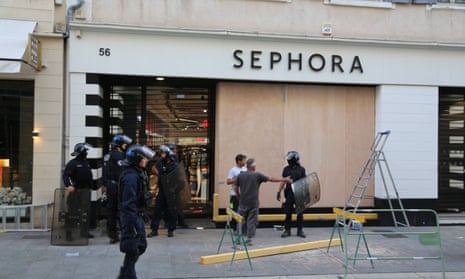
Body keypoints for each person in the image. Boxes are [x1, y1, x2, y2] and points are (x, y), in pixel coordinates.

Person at [118, 144, 155, 279]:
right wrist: (135, 223)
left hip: (134, 215)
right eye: (143, 158)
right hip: (130, 217)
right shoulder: (131, 177)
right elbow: (128, 203)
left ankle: (125, 274)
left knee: (137, 247)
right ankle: (128, 275)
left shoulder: (136, 173)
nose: (146, 160)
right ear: (136, 160)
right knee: (133, 247)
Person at [234, 158, 292, 245]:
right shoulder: (257, 175)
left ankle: (238, 238)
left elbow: (235, 188)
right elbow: (271, 179)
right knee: (251, 221)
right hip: (253, 203)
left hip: (243, 202)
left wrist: (239, 196)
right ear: (253, 167)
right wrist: (285, 180)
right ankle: (248, 239)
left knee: (240, 221)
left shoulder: (241, 176)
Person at [102, 134, 133, 244]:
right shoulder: (119, 156)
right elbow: (122, 172)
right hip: (117, 186)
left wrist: (105, 184)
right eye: (124, 144)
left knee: (111, 212)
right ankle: (125, 233)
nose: (125, 146)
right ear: (120, 145)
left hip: (110, 185)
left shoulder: (108, 155)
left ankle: (112, 234)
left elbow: (104, 172)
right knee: (122, 210)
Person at [62, 142, 95, 240]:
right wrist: (69, 185)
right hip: (76, 191)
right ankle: (69, 234)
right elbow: (66, 175)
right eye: (85, 151)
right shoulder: (73, 163)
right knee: (72, 213)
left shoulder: (86, 163)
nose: (87, 153)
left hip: (85, 190)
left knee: (85, 212)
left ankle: (84, 232)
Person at [148, 145, 179, 237]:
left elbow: (177, 177)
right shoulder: (160, 161)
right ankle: (154, 229)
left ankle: (171, 229)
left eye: (163, 153)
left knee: (171, 211)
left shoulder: (174, 164)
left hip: (170, 190)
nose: (162, 155)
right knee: (157, 210)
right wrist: (156, 187)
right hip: (162, 190)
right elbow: (154, 168)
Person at [277, 151, 307, 238]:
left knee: (300, 213)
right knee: (288, 213)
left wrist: (305, 195)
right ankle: (287, 230)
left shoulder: (302, 170)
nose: (288, 161)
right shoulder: (286, 169)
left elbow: (304, 182)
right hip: (289, 194)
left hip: (299, 194)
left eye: (290, 159)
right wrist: (278, 192)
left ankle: (300, 230)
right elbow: (283, 181)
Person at [226, 153, 247, 233]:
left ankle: (243, 228)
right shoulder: (233, 170)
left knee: (244, 212)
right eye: (243, 160)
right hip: (234, 195)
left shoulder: (245, 170)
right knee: (235, 211)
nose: (245, 162)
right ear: (239, 161)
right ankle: (235, 229)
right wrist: (236, 179)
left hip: (244, 194)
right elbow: (228, 181)